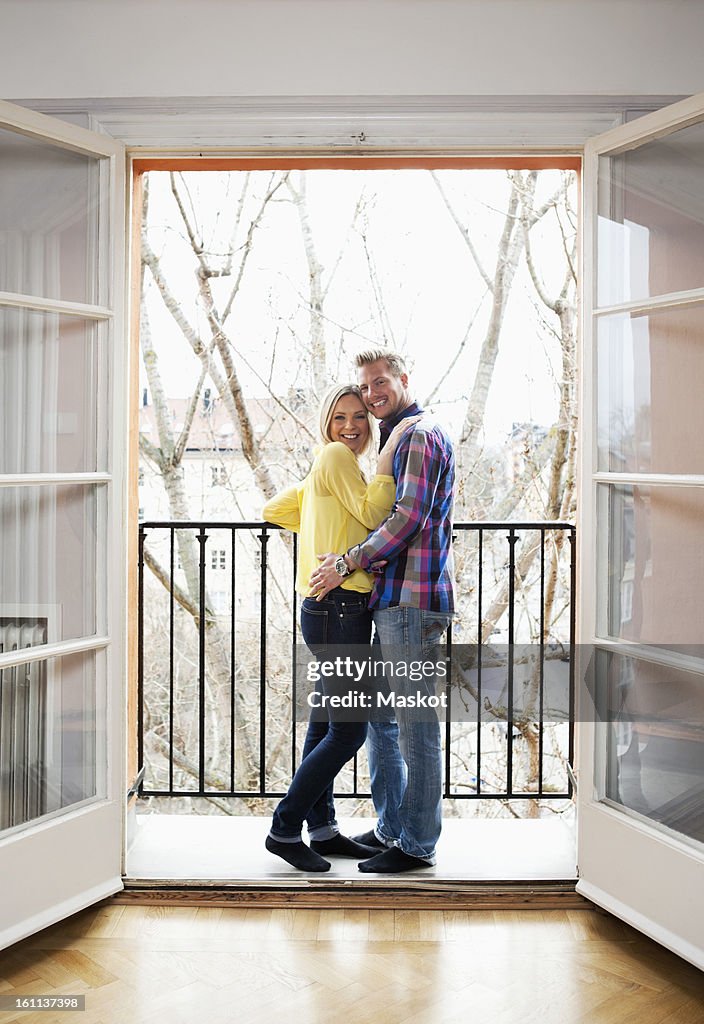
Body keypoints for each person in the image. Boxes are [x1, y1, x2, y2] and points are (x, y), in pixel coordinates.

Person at [310, 349, 455, 873]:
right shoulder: (401, 437)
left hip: (413, 602)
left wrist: (347, 561)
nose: (372, 395)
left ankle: (416, 844)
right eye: (365, 386)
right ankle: (394, 827)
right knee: (383, 723)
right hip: (392, 599)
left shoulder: (417, 435)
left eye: (380, 383)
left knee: (415, 726)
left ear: (402, 380)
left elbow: (406, 518)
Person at [262, 383, 418, 872]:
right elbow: (375, 513)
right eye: (339, 417)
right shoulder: (335, 457)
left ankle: (322, 828)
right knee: (348, 732)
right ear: (327, 424)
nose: (349, 426)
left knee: (326, 724)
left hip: (331, 608)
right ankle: (284, 829)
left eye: (357, 418)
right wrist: (388, 463)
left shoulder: (323, 467)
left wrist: (321, 527)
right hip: (338, 610)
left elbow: (274, 511)